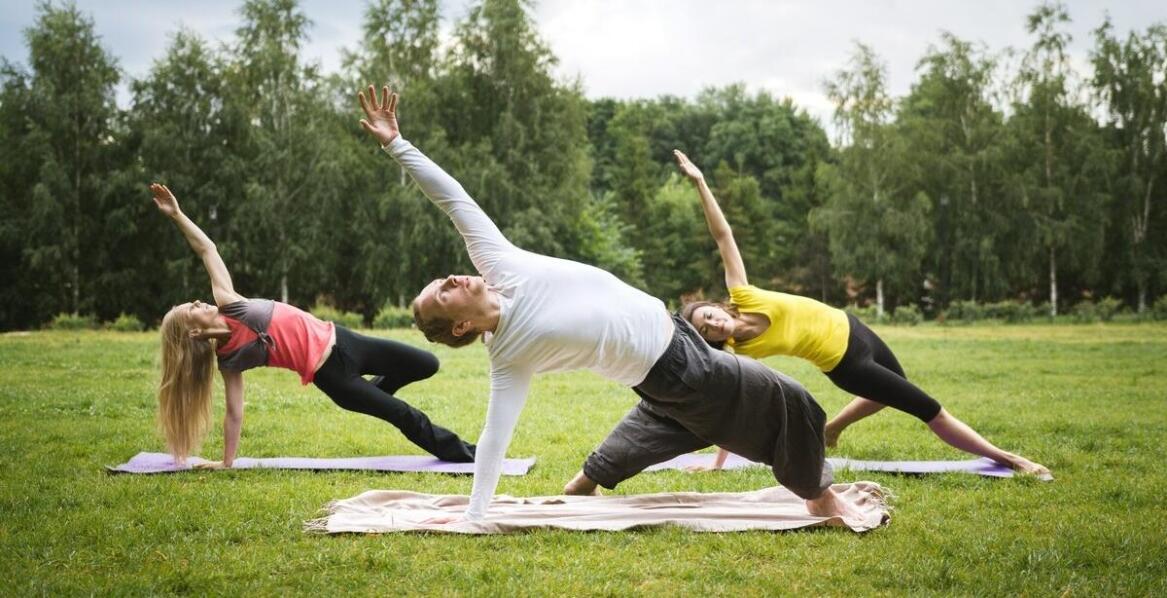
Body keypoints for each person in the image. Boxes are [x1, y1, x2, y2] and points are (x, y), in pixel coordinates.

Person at [356, 84, 864, 523]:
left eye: (441, 280)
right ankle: (820, 498)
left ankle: (585, 483)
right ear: (461, 327)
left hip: (666, 357)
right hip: (679, 368)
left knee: (669, 423)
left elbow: (453, 199)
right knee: (790, 400)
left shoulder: (500, 265)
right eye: (442, 293)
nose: (449, 278)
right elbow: (493, 437)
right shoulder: (509, 356)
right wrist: (474, 515)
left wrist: (397, 145)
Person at [670, 149, 1049, 476]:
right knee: (929, 409)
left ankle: (830, 431)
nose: (715, 323)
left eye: (709, 315)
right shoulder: (744, 353)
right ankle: (1010, 459)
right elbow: (739, 405)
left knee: (890, 390)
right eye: (708, 330)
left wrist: (701, 182)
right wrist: (719, 463)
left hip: (854, 328)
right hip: (846, 363)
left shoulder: (744, 293)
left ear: (716, 307)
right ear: (712, 340)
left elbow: (724, 237)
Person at [150, 183, 476, 468]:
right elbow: (234, 412)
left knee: (426, 363)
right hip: (333, 376)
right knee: (406, 415)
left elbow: (207, 249)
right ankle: (470, 454)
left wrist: (176, 214)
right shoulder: (230, 360)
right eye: (190, 308)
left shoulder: (229, 302)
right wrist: (226, 461)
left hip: (346, 340)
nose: (197, 302)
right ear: (193, 332)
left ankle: (373, 395)